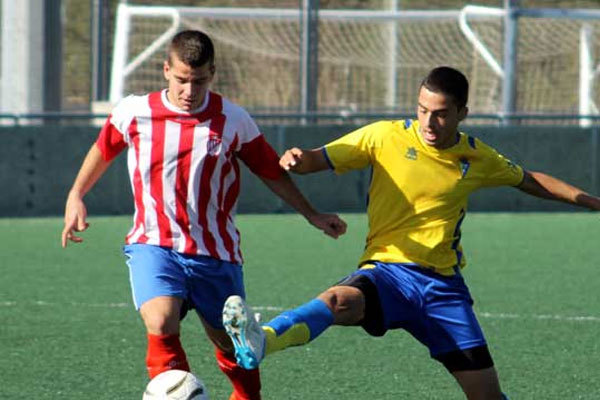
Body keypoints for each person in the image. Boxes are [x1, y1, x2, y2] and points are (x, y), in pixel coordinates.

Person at [222, 66, 600, 400]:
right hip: (388, 273)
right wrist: (299, 159)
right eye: (421, 110)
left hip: (443, 290)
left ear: (462, 114)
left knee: (485, 395)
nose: (428, 123)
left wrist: (593, 202)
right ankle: (262, 339)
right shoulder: (384, 136)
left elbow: (529, 180)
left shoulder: (476, 156)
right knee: (339, 301)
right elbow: (318, 158)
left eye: (440, 115)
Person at [61, 30, 346, 400]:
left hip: (216, 253)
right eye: (181, 79)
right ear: (166, 70)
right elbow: (104, 148)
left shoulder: (233, 119)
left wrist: (311, 214)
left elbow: (270, 171)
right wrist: (76, 194)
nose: (188, 90)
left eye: (198, 81)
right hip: (154, 244)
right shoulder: (134, 112)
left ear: (212, 73)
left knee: (232, 348)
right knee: (160, 320)